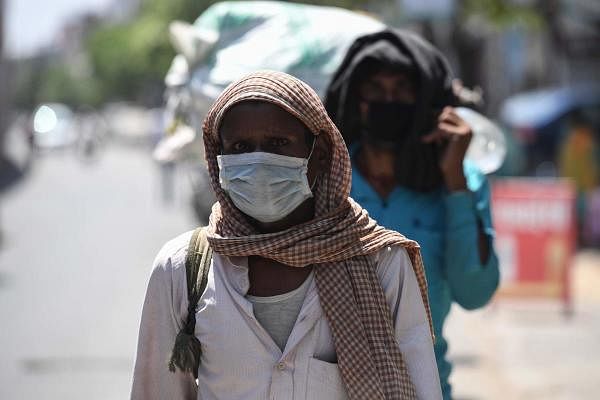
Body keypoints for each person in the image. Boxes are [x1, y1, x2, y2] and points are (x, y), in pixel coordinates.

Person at [131, 71, 443, 399]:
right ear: (219, 158)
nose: (258, 161)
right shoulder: (182, 268)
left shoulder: (380, 262)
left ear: (319, 154)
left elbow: (422, 386)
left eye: (278, 144)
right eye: (240, 147)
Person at [325, 30, 500, 399]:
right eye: (374, 88)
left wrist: (453, 182)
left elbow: (475, 294)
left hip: (424, 387)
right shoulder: (326, 178)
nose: (389, 101)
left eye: (403, 90)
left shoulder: (462, 183)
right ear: (356, 99)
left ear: (427, 103)